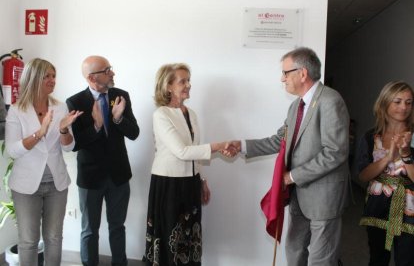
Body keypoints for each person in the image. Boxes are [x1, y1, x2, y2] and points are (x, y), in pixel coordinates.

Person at [225, 47, 350, 265]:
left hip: (324, 198)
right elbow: (279, 140)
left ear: (302, 73)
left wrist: (291, 176)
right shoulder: (295, 107)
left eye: (285, 72)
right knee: (294, 253)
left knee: (321, 260)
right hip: (298, 197)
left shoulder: (331, 101)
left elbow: (335, 152)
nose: (282, 78)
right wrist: (242, 145)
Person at [143, 63, 229, 266]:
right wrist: (218, 146)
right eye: (183, 81)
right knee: (169, 239)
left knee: (190, 238)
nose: (188, 85)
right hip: (168, 184)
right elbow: (182, 152)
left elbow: (194, 150)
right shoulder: (161, 115)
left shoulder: (192, 114)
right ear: (168, 86)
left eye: (189, 80)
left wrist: (202, 180)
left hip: (191, 183)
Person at [5, 58, 82, 265]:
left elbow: (67, 146)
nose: (52, 80)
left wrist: (64, 129)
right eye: (46, 76)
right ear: (33, 77)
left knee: (54, 238)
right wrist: (40, 133)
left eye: (53, 76)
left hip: (56, 184)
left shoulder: (60, 107)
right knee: (28, 241)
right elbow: (13, 150)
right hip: (25, 186)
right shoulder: (16, 110)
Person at [66, 55, 139, 266]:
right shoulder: (75, 102)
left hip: (119, 175)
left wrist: (118, 118)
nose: (112, 73)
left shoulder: (121, 96)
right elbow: (76, 144)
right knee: (89, 230)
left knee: (117, 227)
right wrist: (97, 125)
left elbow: (134, 133)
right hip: (90, 178)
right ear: (91, 77)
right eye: (107, 70)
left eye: (111, 68)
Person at [358, 81, 414, 266]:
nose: (403, 107)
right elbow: (363, 176)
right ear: (384, 103)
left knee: (406, 260)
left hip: (409, 210)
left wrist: (405, 154)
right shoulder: (370, 136)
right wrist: (387, 158)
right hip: (377, 205)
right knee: (377, 259)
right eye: (397, 101)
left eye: (408, 102)